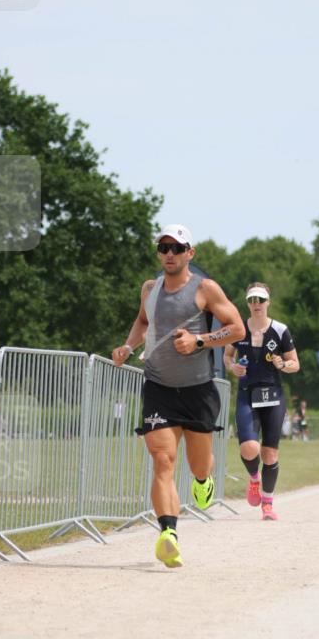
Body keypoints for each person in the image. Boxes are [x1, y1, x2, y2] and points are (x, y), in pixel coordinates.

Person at [112, 224, 244, 568]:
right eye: (164, 247)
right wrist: (129, 345)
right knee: (162, 460)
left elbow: (238, 328)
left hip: (198, 390)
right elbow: (142, 321)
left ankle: (203, 481)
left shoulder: (205, 289)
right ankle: (168, 534)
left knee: (198, 465)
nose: (169, 253)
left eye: (176, 247)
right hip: (158, 387)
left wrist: (199, 341)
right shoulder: (150, 289)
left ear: (190, 253)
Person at [224, 282, 300, 521]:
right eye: (251, 300)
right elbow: (227, 356)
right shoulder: (238, 329)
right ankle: (254, 479)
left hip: (273, 395)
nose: (256, 304)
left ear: (268, 302)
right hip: (247, 393)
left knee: (270, 453)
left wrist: (283, 364)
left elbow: (295, 363)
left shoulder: (280, 330)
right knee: (249, 447)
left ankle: (267, 504)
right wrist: (232, 367)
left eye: (260, 299)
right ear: (247, 303)